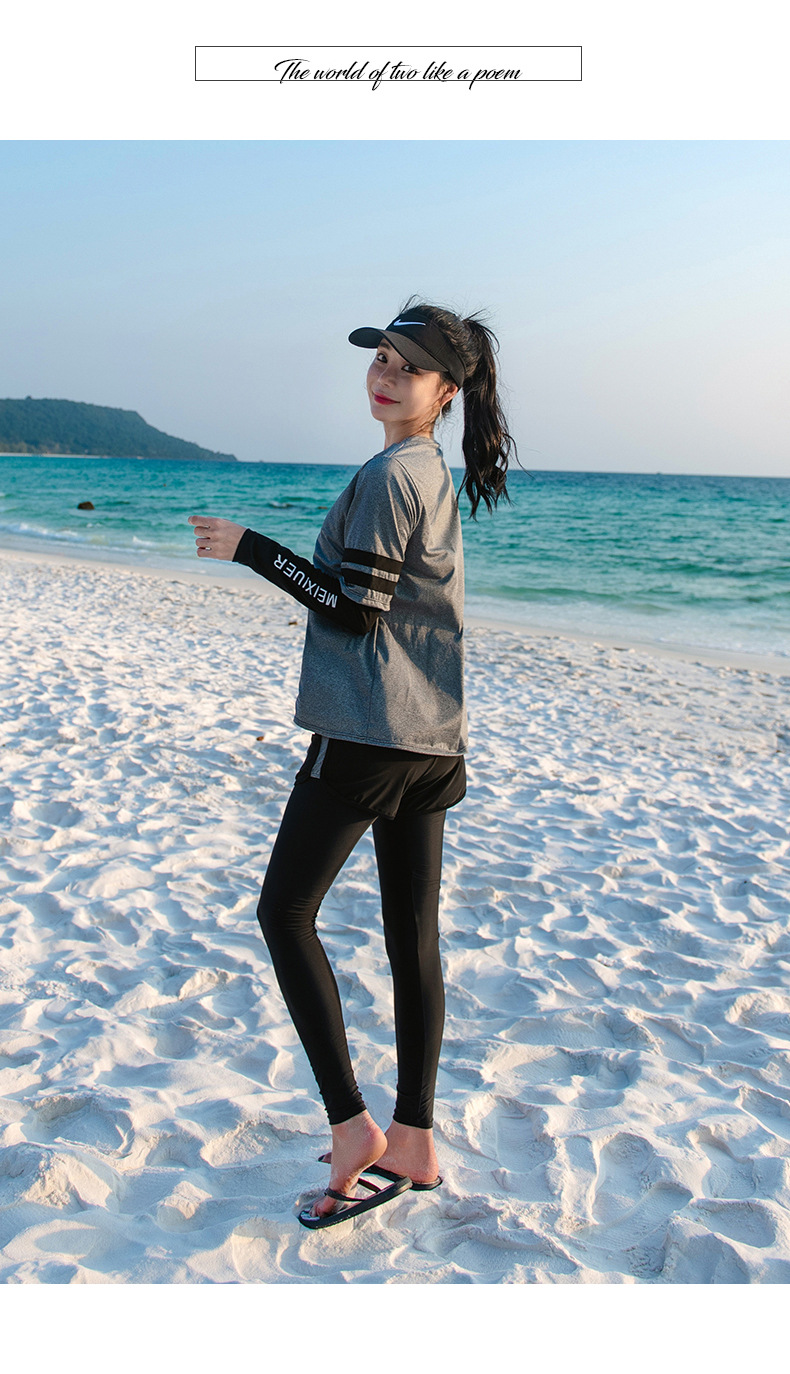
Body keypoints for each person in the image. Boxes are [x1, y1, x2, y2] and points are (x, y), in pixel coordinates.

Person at [189, 299, 515, 1229]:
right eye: (381, 357)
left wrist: (251, 549)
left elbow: (354, 609)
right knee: (413, 939)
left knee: (284, 913)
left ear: (445, 392)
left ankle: (352, 1128)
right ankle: (414, 1138)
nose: (386, 375)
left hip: (370, 734)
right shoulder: (430, 470)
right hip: (433, 739)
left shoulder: (390, 476)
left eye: (410, 368)